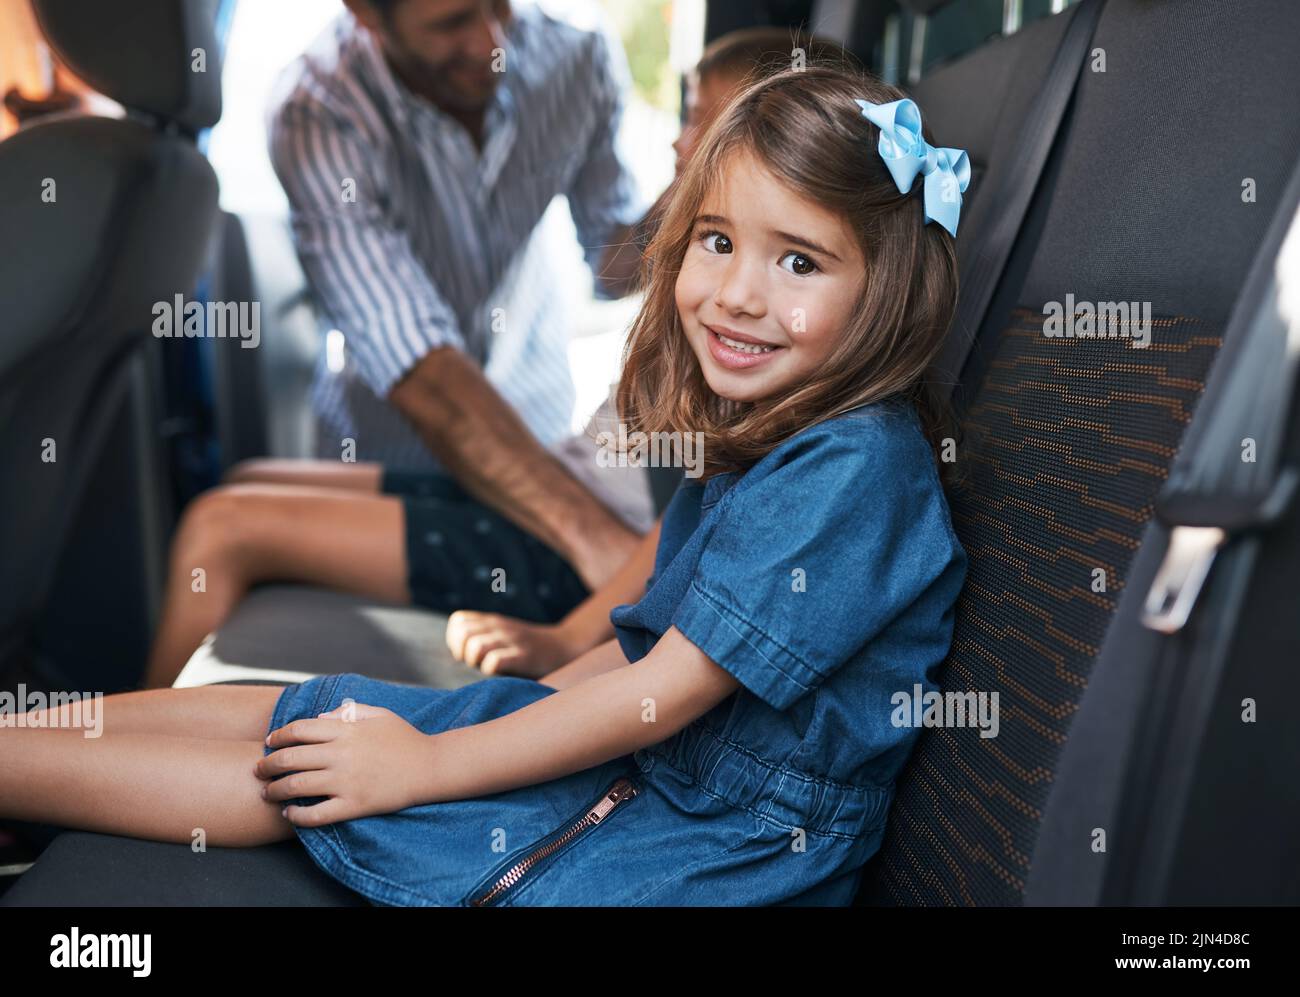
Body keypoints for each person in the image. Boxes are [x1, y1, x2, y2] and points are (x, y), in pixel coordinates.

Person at [3, 61, 969, 906]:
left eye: (798, 260)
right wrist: (518, 705)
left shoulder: (854, 468)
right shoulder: (782, 439)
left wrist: (430, 761)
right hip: (668, 764)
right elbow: (644, 650)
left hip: (710, 839)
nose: (738, 292)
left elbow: (667, 692)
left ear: (883, 289)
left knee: (302, 783)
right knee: (317, 709)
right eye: (716, 240)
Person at [141, 21, 847, 689]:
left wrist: (579, 624)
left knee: (219, 528)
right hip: (549, 479)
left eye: (703, 124)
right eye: (449, 21)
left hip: (581, 553)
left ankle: (127, 770)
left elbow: (692, 504)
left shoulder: (742, 333)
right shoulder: (319, 107)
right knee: (247, 480)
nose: (677, 143)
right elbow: (412, 354)